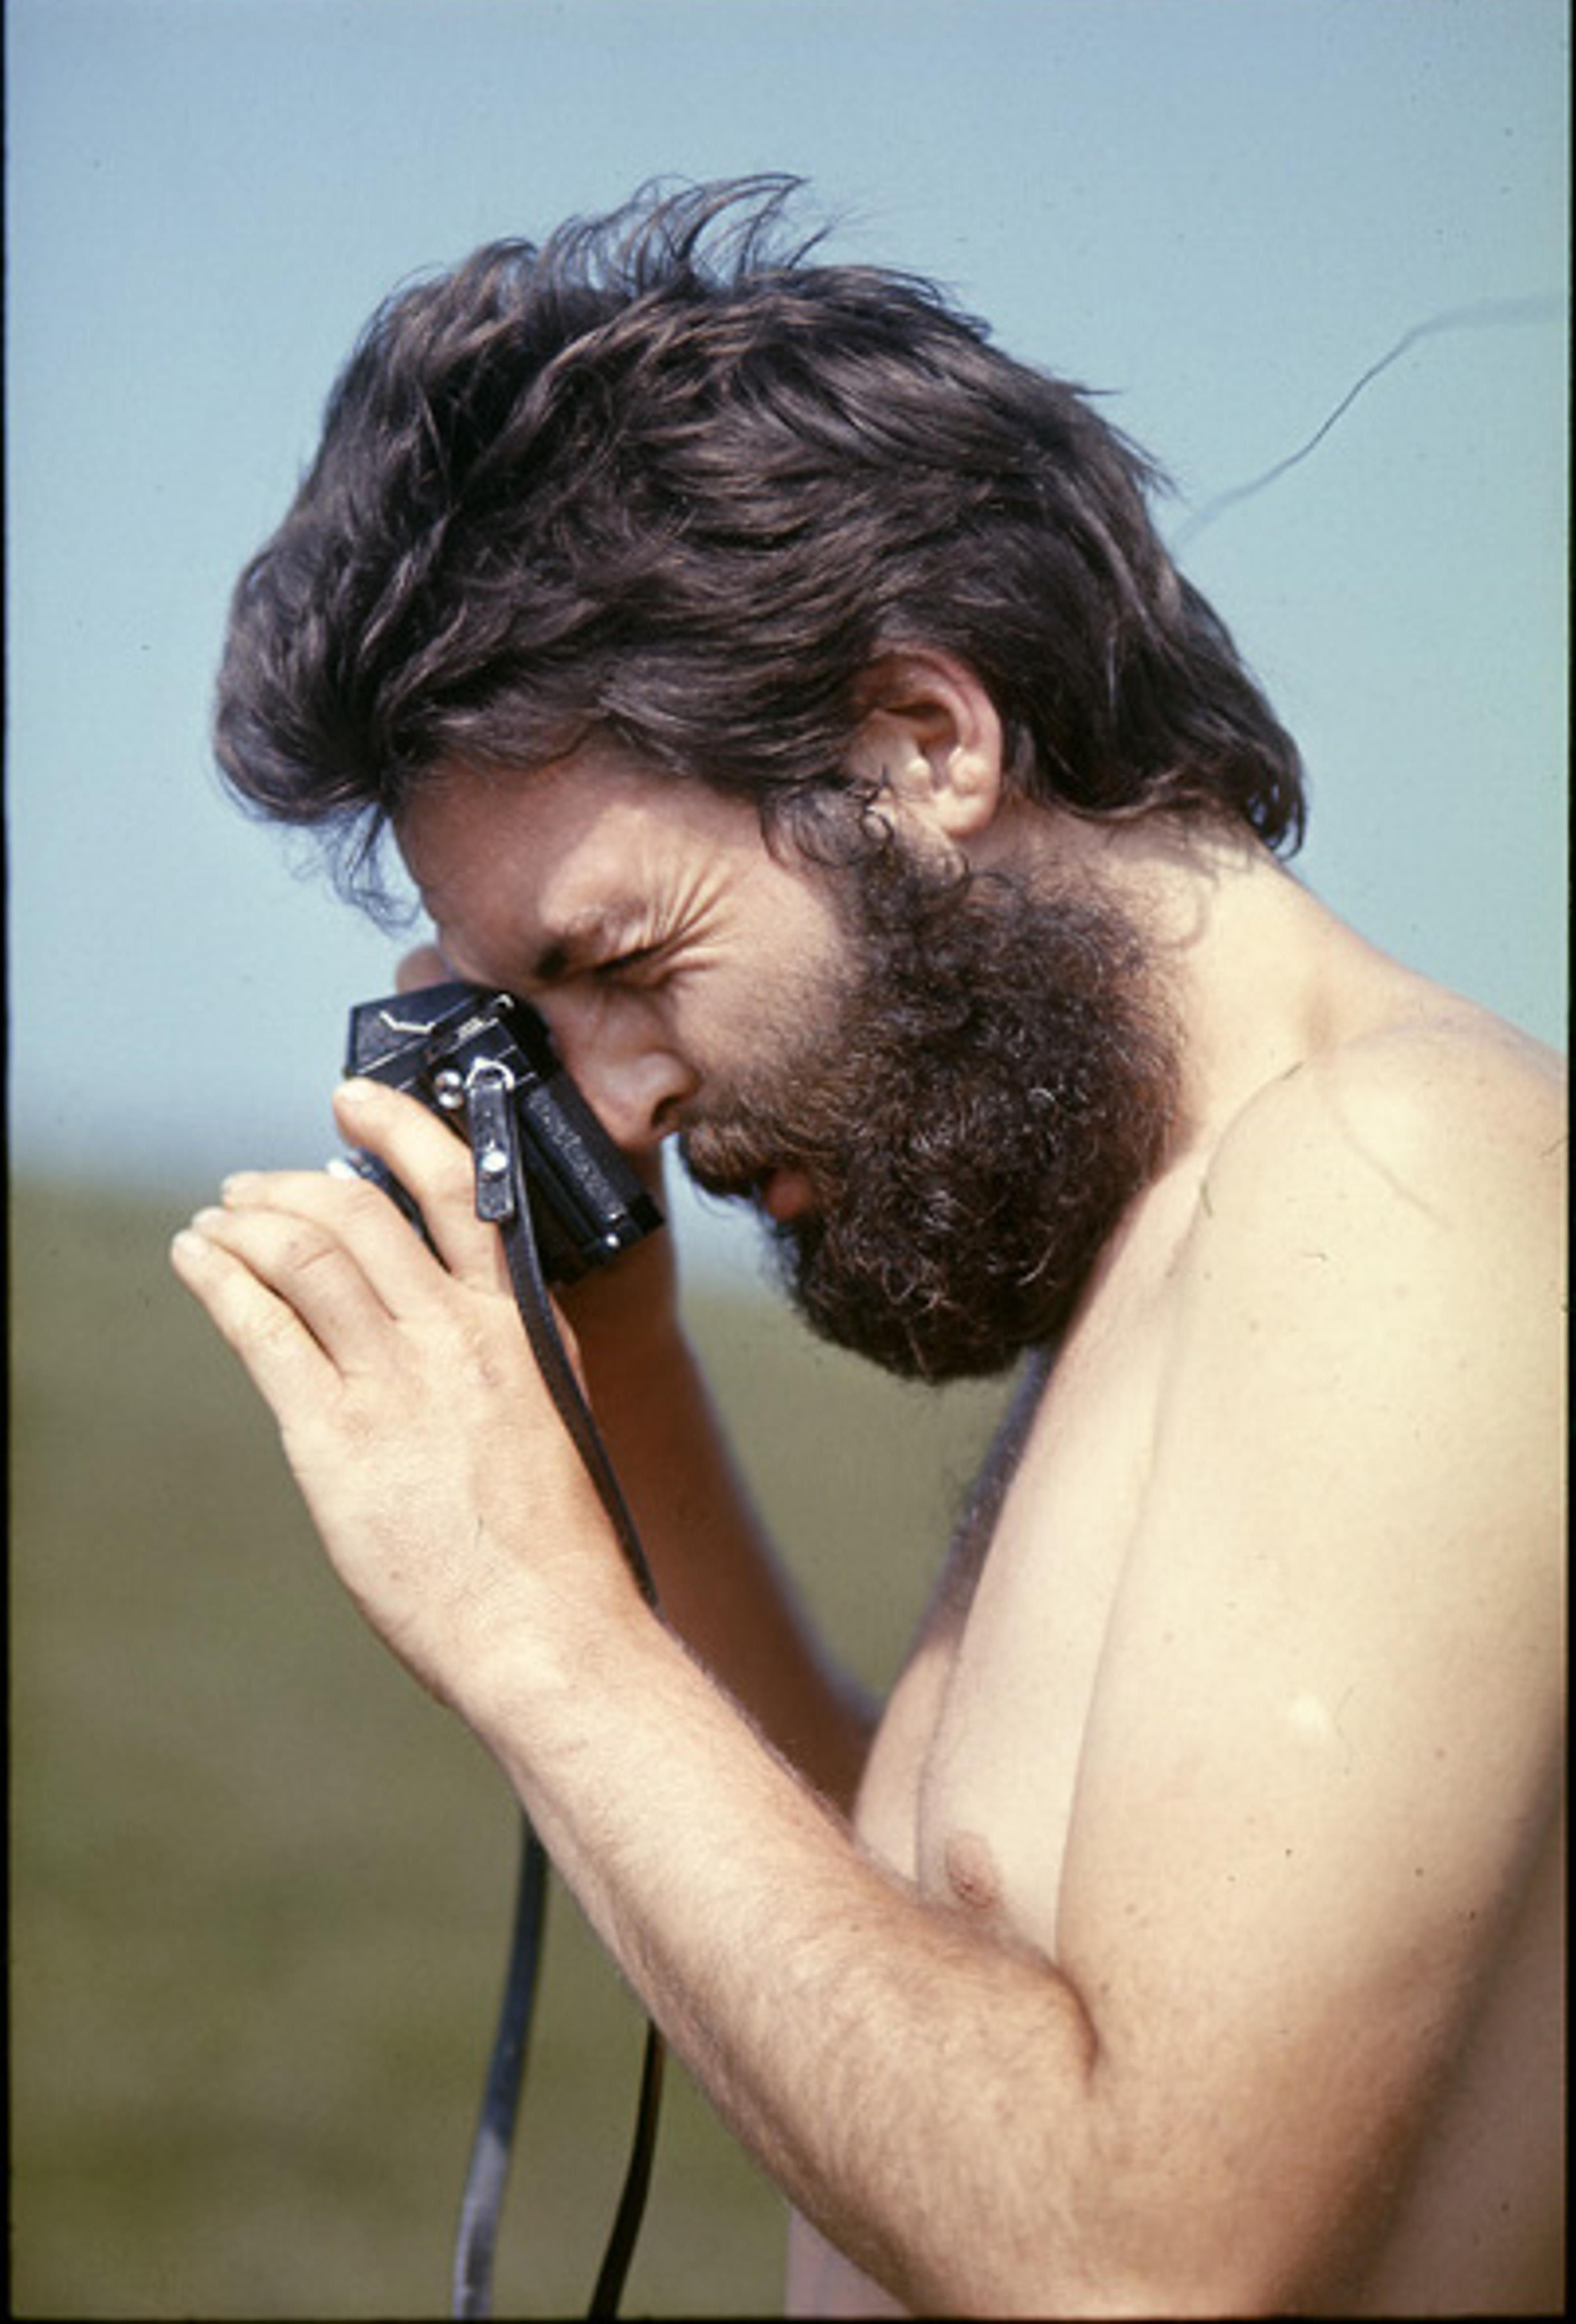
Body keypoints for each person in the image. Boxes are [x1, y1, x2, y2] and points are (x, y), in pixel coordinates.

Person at [172, 178, 1565, 2316]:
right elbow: (905, 1979)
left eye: (620, 959)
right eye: (540, 1030)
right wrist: (612, 1357)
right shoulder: (1183, 1240)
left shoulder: (1405, 1188)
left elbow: (1135, 2253)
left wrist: (529, 1620)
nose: (615, 1097)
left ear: (924, 745)